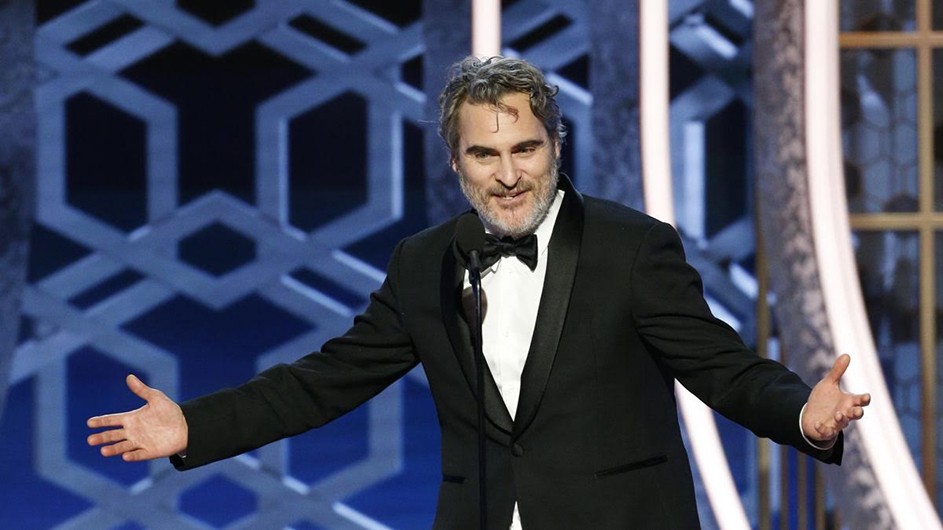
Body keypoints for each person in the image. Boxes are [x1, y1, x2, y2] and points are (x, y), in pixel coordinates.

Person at [87, 56, 870, 529]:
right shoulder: (423, 261)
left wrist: (799, 412)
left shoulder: (632, 248)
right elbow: (324, 382)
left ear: (555, 147)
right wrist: (193, 425)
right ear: (453, 163)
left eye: (525, 148)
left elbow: (721, 366)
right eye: (485, 153)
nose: (507, 174)